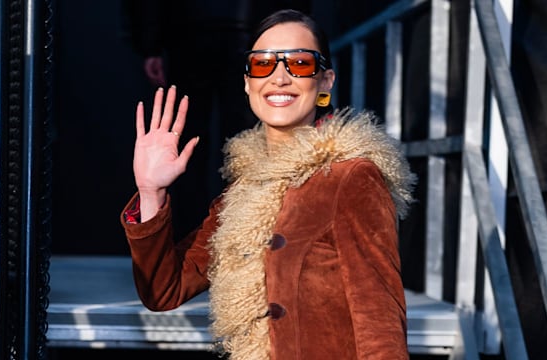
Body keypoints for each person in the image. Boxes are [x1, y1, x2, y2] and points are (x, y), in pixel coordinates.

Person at [120, 9, 416, 359]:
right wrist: (152, 191)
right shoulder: (244, 189)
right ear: (247, 83)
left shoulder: (352, 176)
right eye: (262, 64)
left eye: (300, 63)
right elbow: (164, 290)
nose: (279, 77)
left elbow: (379, 323)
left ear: (325, 81)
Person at [121, 0, 312, 241]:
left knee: (193, 145)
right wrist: (296, 32)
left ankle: (193, 246)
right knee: (246, 142)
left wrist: (149, 46)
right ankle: (243, 241)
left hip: (193, 30)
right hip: (247, 28)